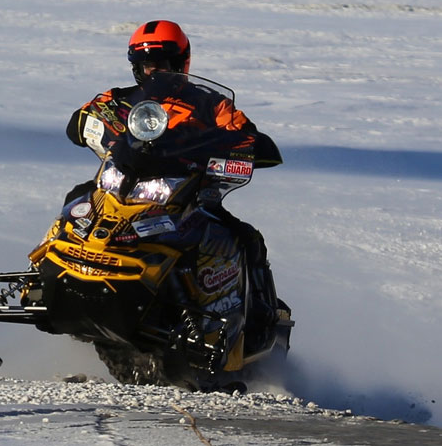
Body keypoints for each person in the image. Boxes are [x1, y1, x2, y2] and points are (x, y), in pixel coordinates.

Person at [65, 20, 281, 333]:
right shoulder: (120, 100)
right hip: (121, 183)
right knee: (76, 201)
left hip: (185, 191)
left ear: (181, 64)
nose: (154, 73)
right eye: (146, 65)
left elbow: (246, 134)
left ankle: (259, 320)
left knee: (245, 238)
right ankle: (46, 278)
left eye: (162, 65)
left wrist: (243, 147)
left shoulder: (210, 104)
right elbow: (81, 119)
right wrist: (101, 131)